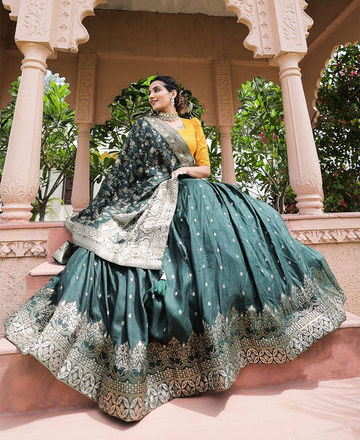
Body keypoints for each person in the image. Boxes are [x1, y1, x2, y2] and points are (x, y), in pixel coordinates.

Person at [5, 75, 346, 422]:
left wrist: (186, 169)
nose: (151, 95)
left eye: (157, 90)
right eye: (149, 91)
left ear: (173, 95)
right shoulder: (143, 127)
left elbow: (206, 168)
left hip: (196, 193)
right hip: (155, 194)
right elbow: (125, 173)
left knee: (254, 224)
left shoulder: (193, 125)